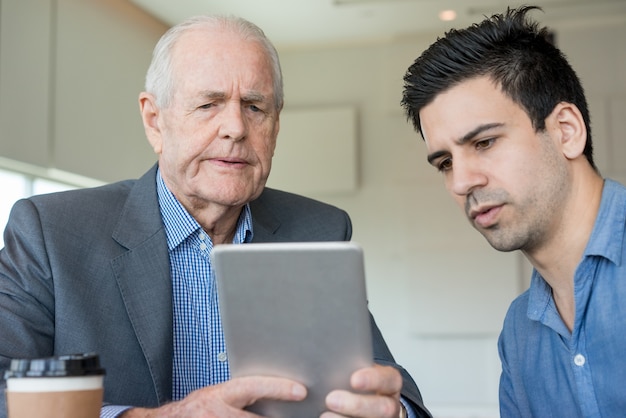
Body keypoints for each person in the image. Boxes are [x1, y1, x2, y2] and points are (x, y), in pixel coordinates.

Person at [0, 15, 431, 418]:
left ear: (275, 127)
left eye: (255, 107)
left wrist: (393, 411)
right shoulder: (52, 232)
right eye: (209, 104)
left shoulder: (318, 229)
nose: (236, 128)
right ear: (154, 121)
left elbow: (384, 380)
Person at [401, 4, 626, 418]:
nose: (461, 182)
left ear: (566, 131)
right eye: (445, 163)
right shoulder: (519, 332)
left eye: (484, 142)